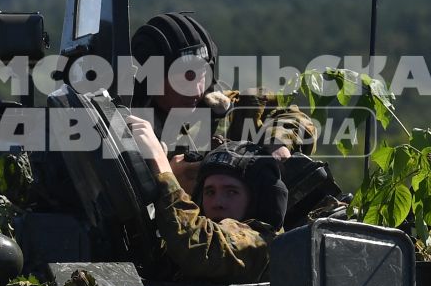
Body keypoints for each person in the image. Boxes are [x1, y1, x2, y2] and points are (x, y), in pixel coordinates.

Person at [128, 12, 318, 197]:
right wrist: (169, 178)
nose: (195, 89)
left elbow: (294, 118)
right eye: (183, 78)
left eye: (202, 73)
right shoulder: (131, 134)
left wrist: (278, 143)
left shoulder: (220, 107)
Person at [122, 116, 288, 282]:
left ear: (258, 199)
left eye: (231, 192)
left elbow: (198, 246)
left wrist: (162, 167)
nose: (218, 203)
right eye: (210, 192)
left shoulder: (262, 242)